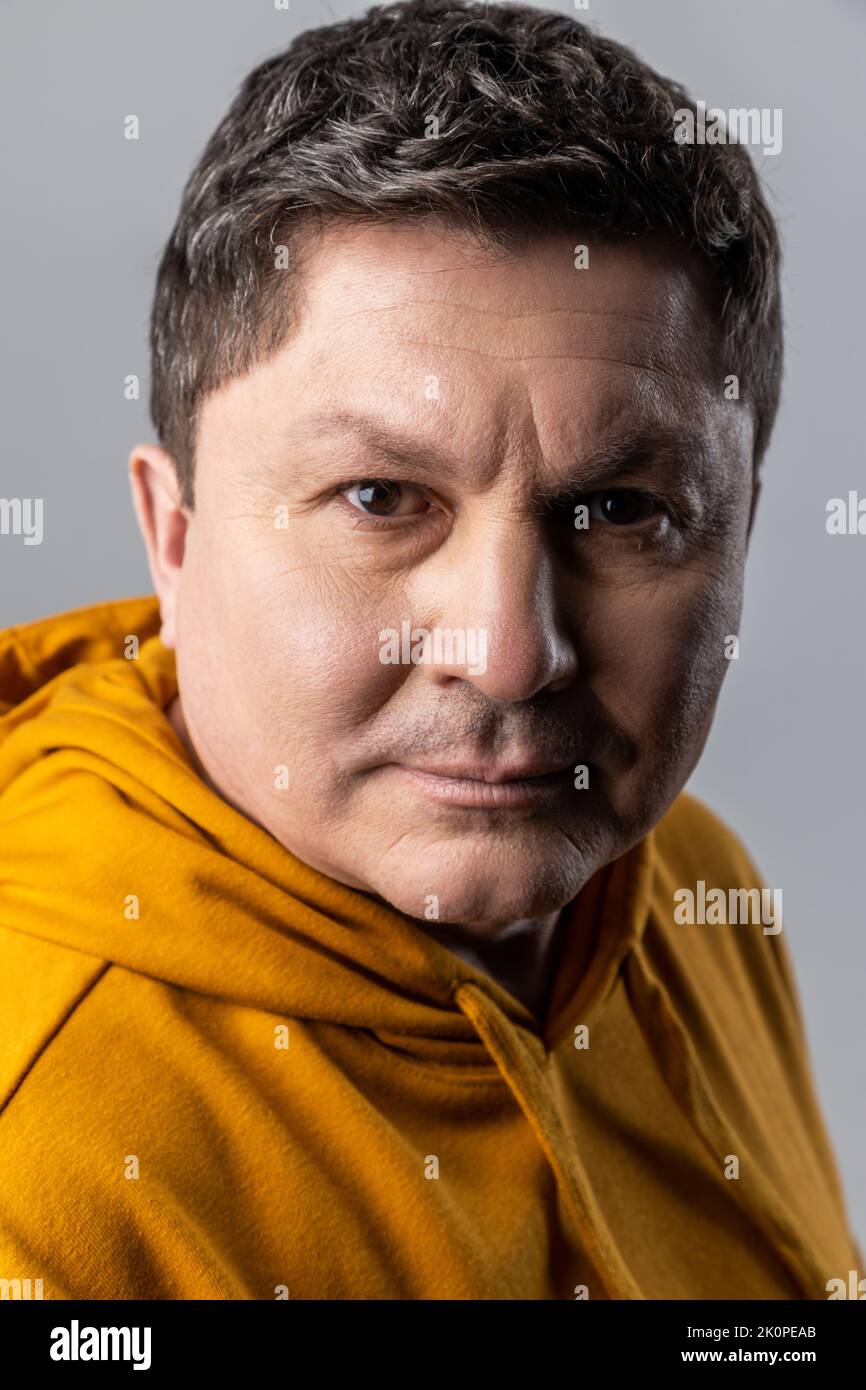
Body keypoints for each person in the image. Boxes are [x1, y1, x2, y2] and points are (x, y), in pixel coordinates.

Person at [0, 0, 860, 1300]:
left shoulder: (683, 880)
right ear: (172, 541)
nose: (510, 656)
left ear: (738, 532)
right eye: (380, 499)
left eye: (621, 510)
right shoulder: (37, 1167)